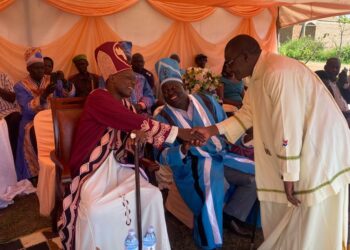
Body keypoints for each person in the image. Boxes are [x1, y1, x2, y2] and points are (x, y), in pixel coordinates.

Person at [193, 35, 350, 250]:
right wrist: (211, 130)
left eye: (230, 62)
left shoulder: (277, 73)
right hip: (304, 146)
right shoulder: (259, 74)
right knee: (296, 210)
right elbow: (248, 114)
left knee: (312, 213)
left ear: (245, 57)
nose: (228, 68)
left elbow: (288, 125)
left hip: (320, 148)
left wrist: (290, 173)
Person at [59, 42, 205, 250]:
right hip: (92, 170)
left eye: (134, 78)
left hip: (118, 167)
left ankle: (148, 245)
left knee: (153, 196)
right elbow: (135, 123)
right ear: (112, 78)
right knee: (94, 210)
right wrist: (181, 133)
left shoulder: (127, 105)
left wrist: (135, 143)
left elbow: (128, 139)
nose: (134, 82)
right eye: (128, 78)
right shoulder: (97, 98)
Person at [154, 58, 256, 249]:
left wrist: (242, 135)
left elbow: (223, 126)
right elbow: (160, 155)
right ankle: (210, 242)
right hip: (192, 165)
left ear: (183, 85)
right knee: (211, 190)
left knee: (257, 173)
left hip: (221, 155)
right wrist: (184, 148)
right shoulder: (162, 118)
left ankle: (231, 215)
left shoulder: (207, 100)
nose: (170, 93)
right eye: (165, 90)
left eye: (174, 87)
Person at [14, 47, 56, 180]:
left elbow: (66, 95)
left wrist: (65, 84)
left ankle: (58, 165)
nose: (41, 71)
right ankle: (38, 170)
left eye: (42, 68)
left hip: (52, 117)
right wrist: (44, 95)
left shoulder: (51, 79)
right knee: (32, 132)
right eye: (37, 68)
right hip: (31, 120)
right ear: (29, 69)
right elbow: (26, 108)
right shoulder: (20, 86)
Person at [119, 41, 155, 114]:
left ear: (130, 61)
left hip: (138, 114)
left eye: (128, 58)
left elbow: (150, 96)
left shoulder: (141, 78)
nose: (125, 61)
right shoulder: (108, 77)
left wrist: (140, 105)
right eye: (121, 58)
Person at [0, 72, 21, 161]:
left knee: (15, 118)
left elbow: (13, 98)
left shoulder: (3, 76)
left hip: (9, 113)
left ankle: (13, 158)